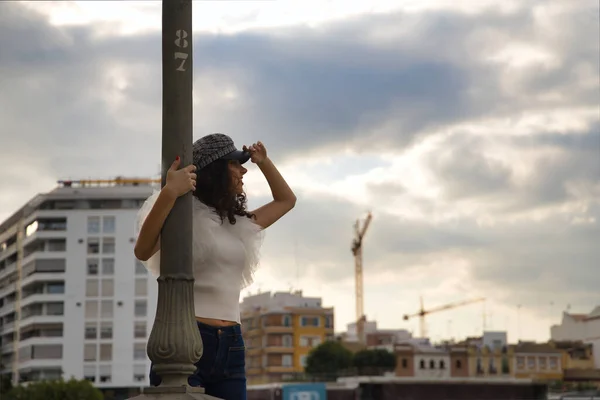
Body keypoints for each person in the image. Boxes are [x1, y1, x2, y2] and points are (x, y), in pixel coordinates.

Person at [134, 133, 296, 399]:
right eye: (236, 164)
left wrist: (264, 162)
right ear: (217, 171)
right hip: (185, 341)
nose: (244, 170)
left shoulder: (237, 223)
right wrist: (170, 192)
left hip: (232, 342)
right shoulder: (185, 216)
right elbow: (142, 250)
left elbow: (286, 201)